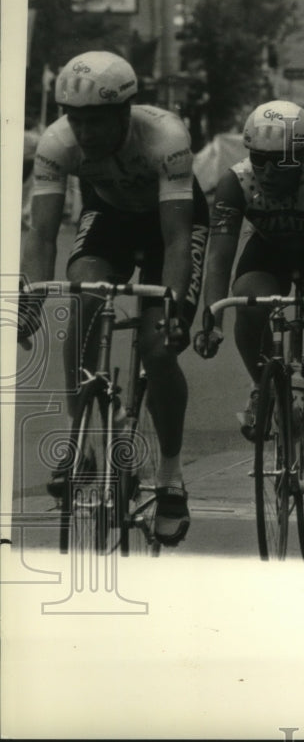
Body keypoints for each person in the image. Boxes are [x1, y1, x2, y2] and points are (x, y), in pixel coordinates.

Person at [18, 51, 208, 546]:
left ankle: (170, 474)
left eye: (95, 121)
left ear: (125, 111)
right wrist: (31, 299)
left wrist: (169, 310)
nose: (84, 131)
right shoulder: (57, 144)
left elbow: (175, 239)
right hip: (111, 218)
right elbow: (40, 235)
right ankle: (78, 442)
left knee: (158, 346)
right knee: (80, 297)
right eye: (75, 119)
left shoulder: (166, 138)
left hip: (173, 221)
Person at [194, 100, 304, 545]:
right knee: (246, 302)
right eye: (258, 158)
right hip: (267, 254)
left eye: (277, 162)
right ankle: (262, 385)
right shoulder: (236, 181)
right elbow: (219, 258)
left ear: (302, 156)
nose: (265, 171)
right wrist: (211, 313)